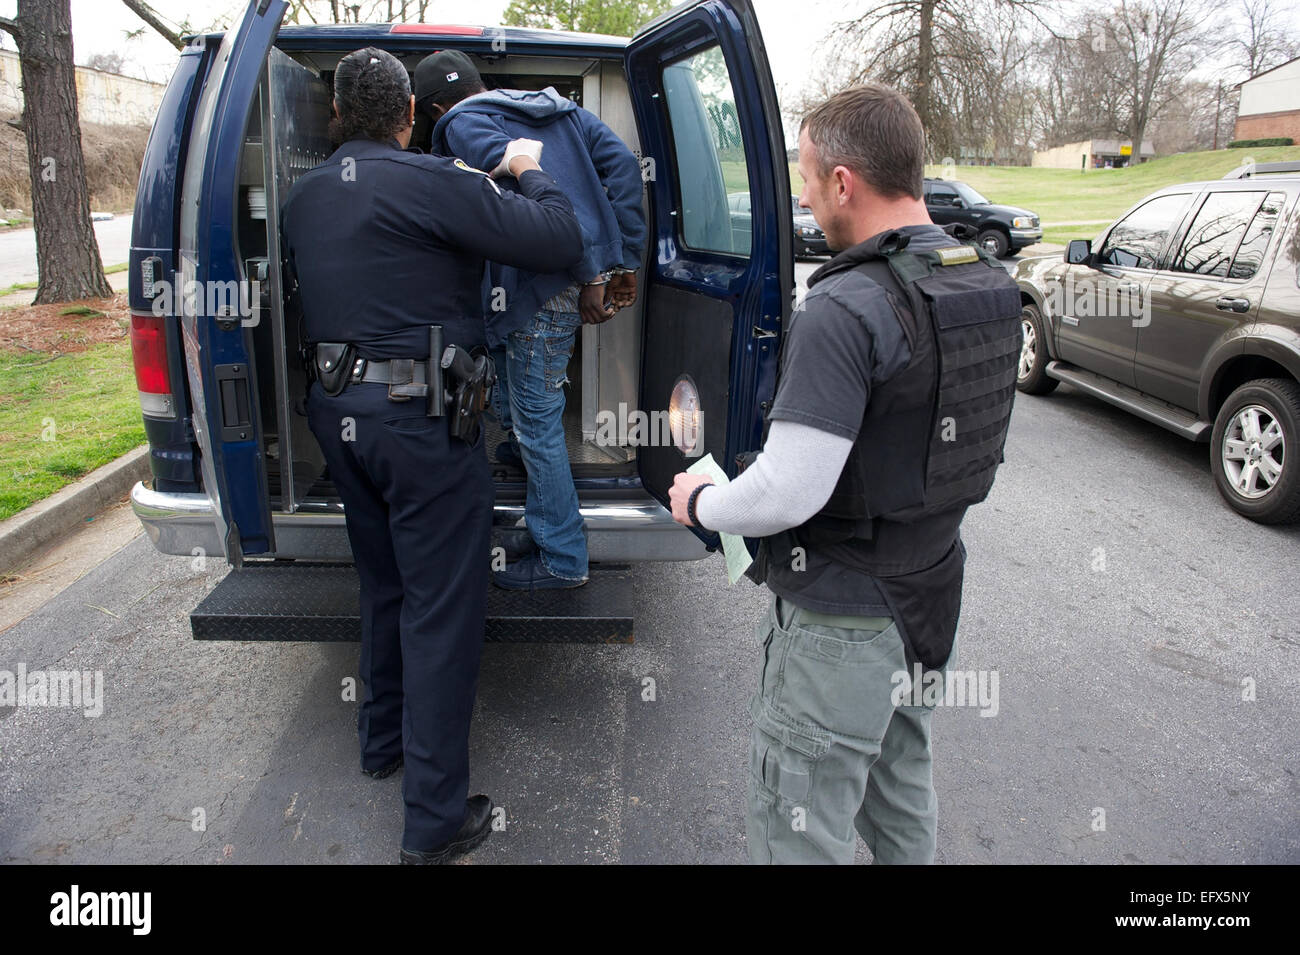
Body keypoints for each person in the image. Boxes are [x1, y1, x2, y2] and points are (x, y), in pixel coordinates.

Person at [667, 84, 1022, 864]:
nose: (803, 197)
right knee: (901, 797)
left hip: (843, 627)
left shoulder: (846, 306)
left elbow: (789, 488)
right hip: (928, 599)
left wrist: (704, 502)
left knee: (798, 827)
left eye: (806, 178)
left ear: (843, 182)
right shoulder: (985, 283)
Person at [280, 47, 582, 864]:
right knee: (441, 610)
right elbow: (560, 237)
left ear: (337, 114)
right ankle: (434, 822)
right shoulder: (439, 182)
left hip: (338, 416)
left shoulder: (305, 197)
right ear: (410, 115)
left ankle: (380, 742)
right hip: (422, 425)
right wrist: (525, 169)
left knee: (382, 582)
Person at [414, 49, 647, 590]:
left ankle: (563, 556)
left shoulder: (460, 123)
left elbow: (527, 190)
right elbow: (624, 169)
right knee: (524, 409)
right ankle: (543, 515)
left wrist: (592, 270)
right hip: (555, 283)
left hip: (535, 286)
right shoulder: (562, 110)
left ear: (434, 109)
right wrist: (623, 259)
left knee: (537, 423)